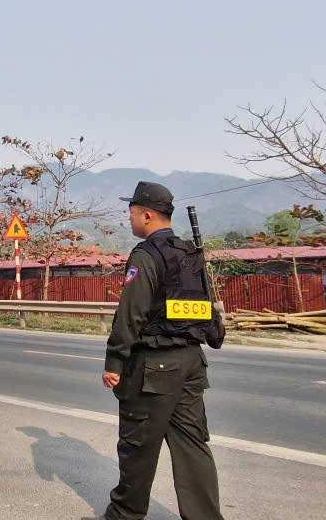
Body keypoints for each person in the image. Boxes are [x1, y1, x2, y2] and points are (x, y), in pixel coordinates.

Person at [100, 181, 224, 520]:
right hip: (192, 364)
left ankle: (124, 516)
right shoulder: (188, 253)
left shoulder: (146, 256)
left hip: (154, 367)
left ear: (148, 215)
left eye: (132, 214)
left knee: (137, 447)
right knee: (192, 445)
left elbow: (131, 313)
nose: (130, 220)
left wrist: (114, 361)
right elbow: (203, 311)